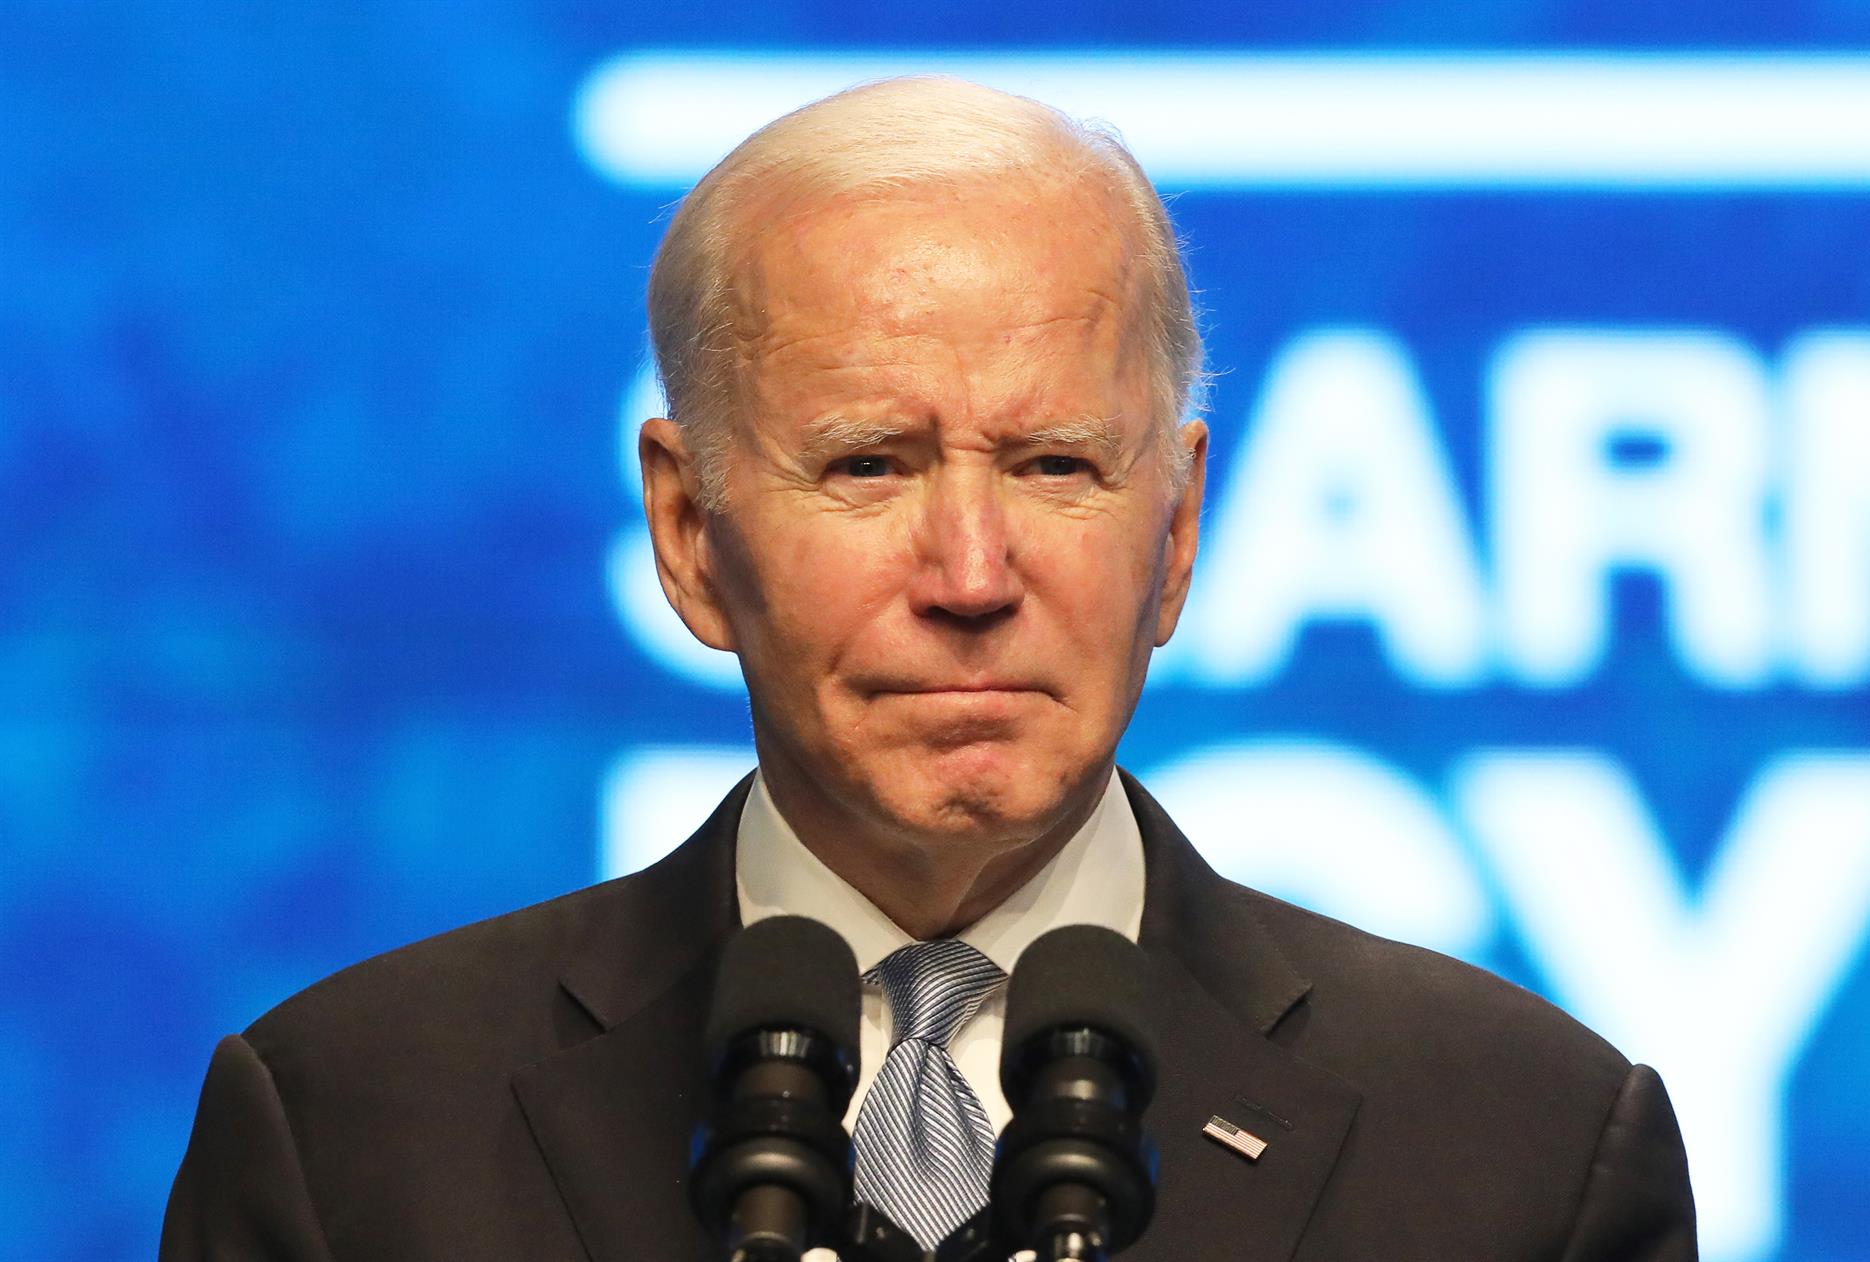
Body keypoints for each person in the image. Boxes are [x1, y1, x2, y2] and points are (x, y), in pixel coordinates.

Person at [162, 77, 1696, 1261]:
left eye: (1053, 464)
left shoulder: (1529, 1148)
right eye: (870, 464)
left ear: (1175, 533)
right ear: (692, 535)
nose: (971, 575)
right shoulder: (352, 1131)